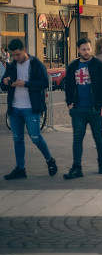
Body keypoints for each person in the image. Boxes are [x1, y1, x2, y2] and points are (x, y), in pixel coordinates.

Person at [1, 39, 57, 180]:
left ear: (24, 50)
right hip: (15, 108)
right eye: (13, 55)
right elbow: (3, 85)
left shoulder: (36, 64)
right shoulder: (12, 66)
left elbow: (44, 83)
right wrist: (5, 82)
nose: (16, 58)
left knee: (35, 137)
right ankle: (20, 168)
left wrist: (25, 83)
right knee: (17, 139)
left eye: (18, 54)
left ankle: (49, 159)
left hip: (31, 108)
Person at [63, 38, 102, 179]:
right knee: (77, 138)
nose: (86, 52)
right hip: (78, 109)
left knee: (98, 136)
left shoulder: (99, 65)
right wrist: (70, 103)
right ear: (78, 50)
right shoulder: (73, 66)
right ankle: (77, 167)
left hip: (95, 108)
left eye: (89, 49)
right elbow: (69, 86)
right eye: (84, 49)